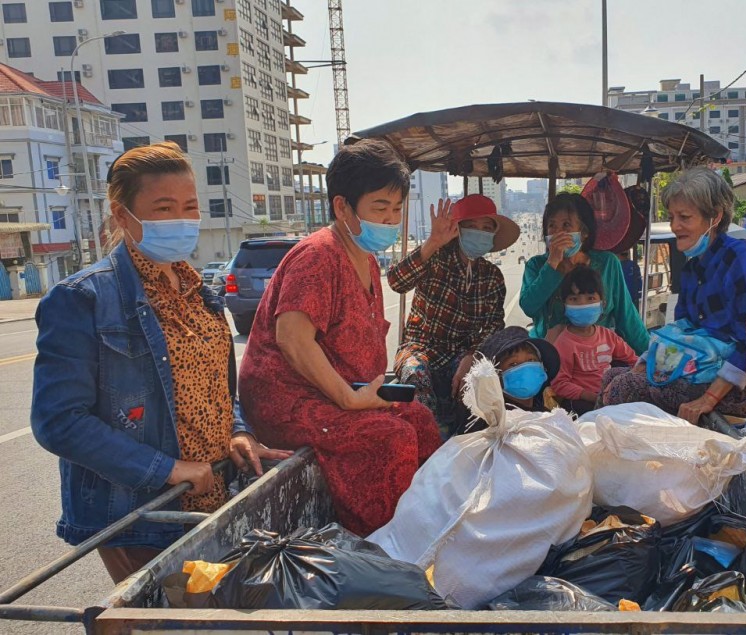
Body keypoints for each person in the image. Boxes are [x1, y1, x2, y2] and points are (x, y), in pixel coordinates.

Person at [30, 143, 288, 583]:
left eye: (190, 207)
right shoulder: (83, 299)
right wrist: (166, 470)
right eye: (163, 208)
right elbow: (58, 421)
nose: (181, 220)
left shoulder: (200, 292)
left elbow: (214, 388)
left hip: (212, 497)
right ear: (121, 215)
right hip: (140, 513)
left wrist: (237, 431)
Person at [238, 140, 441, 537]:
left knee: (420, 418)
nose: (390, 219)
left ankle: (428, 525)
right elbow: (293, 340)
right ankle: (386, 544)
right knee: (391, 438)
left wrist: (365, 394)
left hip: (344, 392)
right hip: (291, 400)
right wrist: (350, 399)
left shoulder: (365, 258)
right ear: (342, 207)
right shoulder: (317, 256)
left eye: (397, 209)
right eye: (379, 208)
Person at [601, 167, 746, 424]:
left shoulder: (740, 257)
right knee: (611, 376)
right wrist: (647, 360)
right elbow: (680, 329)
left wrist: (709, 399)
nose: (675, 226)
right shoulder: (693, 267)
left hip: (736, 383)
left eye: (684, 217)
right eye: (672, 217)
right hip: (698, 368)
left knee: (624, 388)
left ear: (714, 217)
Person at [389, 194, 518, 438]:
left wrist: (471, 356)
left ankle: (468, 440)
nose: (479, 232)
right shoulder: (435, 257)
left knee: (481, 380)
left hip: (462, 354)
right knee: (415, 374)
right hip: (420, 348)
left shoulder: (492, 276)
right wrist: (433, 242)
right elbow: (397, 281)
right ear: (458, 230)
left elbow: (493, 326)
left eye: (486, 228)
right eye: (472, 227)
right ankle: (427, 442)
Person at [520, 192, 648, 355]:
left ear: (584, 233)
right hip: (552, 355)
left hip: (599, 357)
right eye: (552, 226)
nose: (558, 233)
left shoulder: (607, 263)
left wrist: (651, 355)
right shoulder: (536, 266)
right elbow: (529, 307)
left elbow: (628, 318)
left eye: (566, 225)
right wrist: (552, 265)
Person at [550, 267, 638, 414]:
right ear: (564, 305)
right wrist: (591, 396)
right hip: (583, 401)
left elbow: (633, 360)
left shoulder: (608, 335)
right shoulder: (564, 343)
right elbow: (560, 384)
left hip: (610, 396)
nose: (582, 304)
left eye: (590, 298)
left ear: (602, 303)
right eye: (574, 299)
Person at [458, 326, 561, 434]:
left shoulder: (545, 414)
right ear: (495, 376)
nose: (525, 368)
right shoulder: (490, 423)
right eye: (513, 364)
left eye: (531, 360)